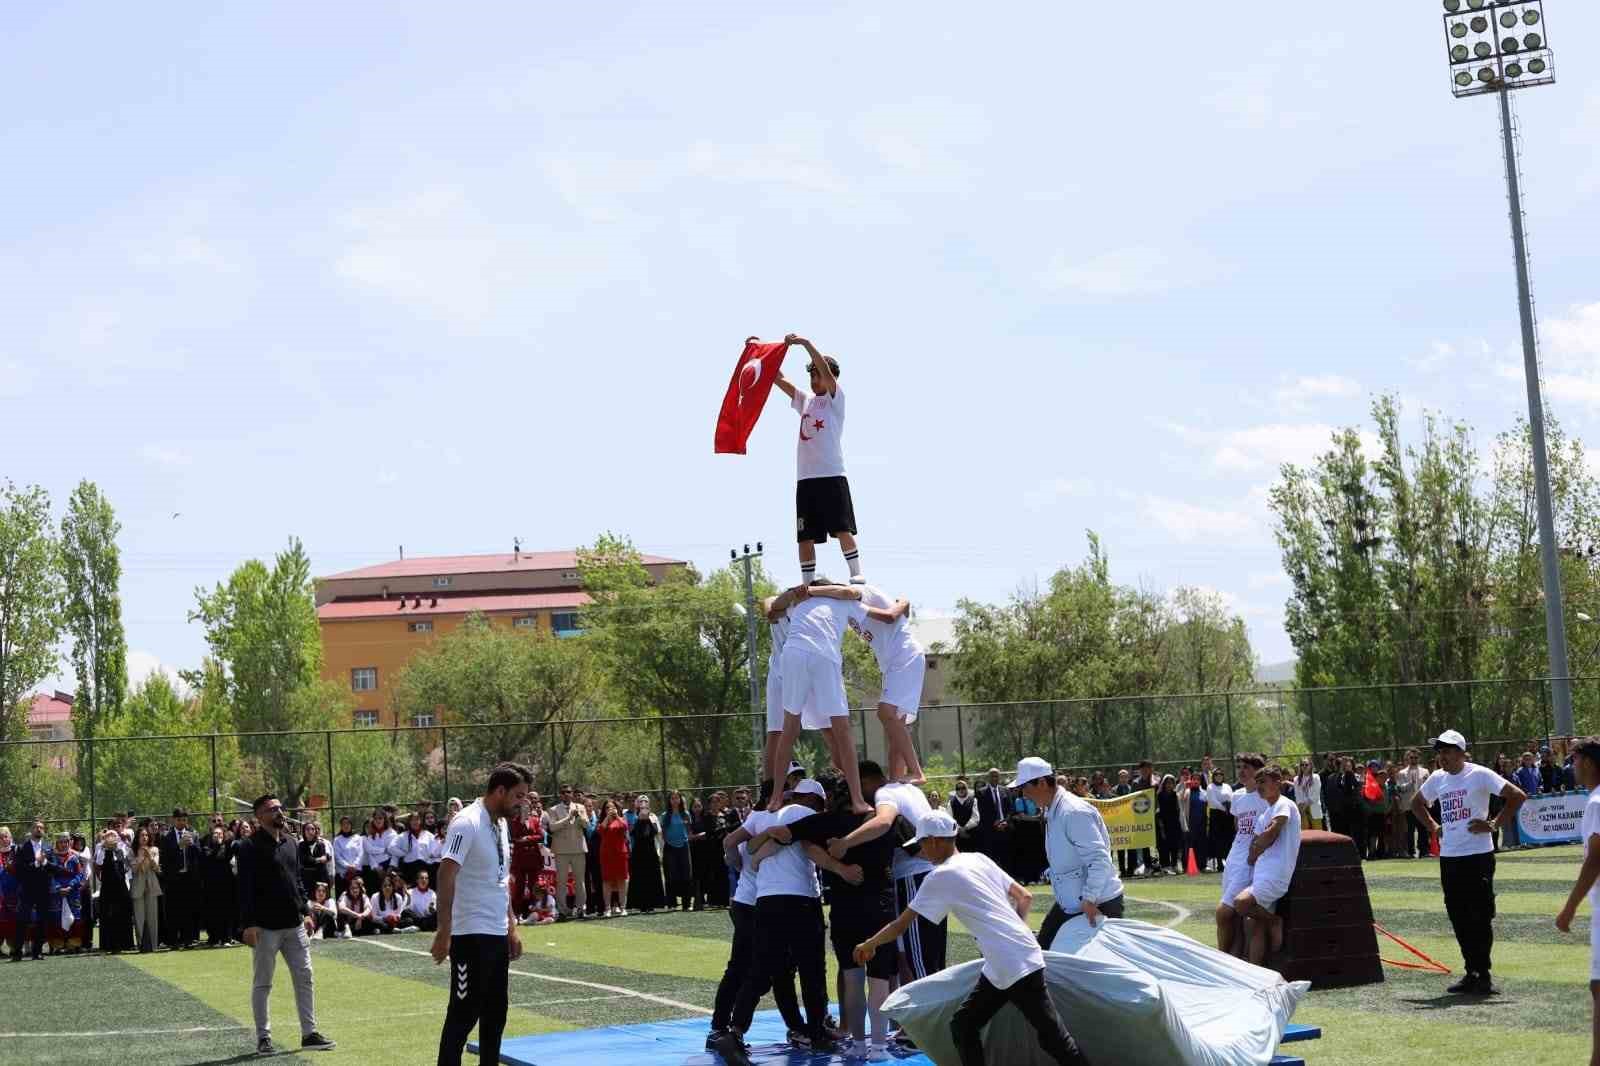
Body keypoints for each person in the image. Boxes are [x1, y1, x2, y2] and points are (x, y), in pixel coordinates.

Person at [854, 812, 1089, 1066]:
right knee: (965, 1025)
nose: (921, 852)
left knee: (1052, 1038)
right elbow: (1024, 896)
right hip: (1010, 958)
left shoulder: (939, 876)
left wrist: (869, 944)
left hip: (1011, 962)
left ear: (934, 841)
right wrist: (1017, 933)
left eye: (921, 844)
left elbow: (900, 925)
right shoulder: (978, 859)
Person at [713, 780, 841, 1066]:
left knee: (760, 968)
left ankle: (734, 1031)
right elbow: (807, 848)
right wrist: (840, 867)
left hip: (766, 900)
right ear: (814, 801)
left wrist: (756, 854)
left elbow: (743, 844)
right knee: (811, 969)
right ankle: (817, 1031)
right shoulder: (804, 815)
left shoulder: (764, 817)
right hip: (800, 897)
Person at [766, 581, 909, 816]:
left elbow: (775, 609)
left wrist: (802, 592)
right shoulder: (842, 602)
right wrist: (902, 603)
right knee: (841, 730)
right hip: (821, 655)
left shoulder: (804, 601)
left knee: (790, 726)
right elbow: (885, 615)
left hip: (794, 654)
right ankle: (856, 799)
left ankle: (775, 798)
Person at [787, 769, 898, 1059]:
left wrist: (836, 867)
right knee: (879, 979)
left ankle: (859, 1044)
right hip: (880, 906)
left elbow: (793, 836)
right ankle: (880, 1047)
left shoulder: (825, 822)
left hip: (845, 908)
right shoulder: (881, 816)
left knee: (852, 979)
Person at [431, 761, 531, 1066]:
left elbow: (500, 880)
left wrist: (511, 926)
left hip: (496, 933)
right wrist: (444, 931)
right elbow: (446, 874)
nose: (522, 803)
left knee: (495, 1013)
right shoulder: (467, 822)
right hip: (469, 935)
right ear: (500, 791)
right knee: (463, 1014)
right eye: (518, 795)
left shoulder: (499, 824)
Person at [1412, 730, 1526, 995]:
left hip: (1478, 856)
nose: (1443, 756)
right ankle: (1471, 972)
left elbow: (1517, 796)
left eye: (1448, 750)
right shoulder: (1437, 778)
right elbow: (1417, 803)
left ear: (1462, 752)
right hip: (1450, 858)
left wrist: (1494, 824)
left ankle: (1482, 973)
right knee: (1458, 915)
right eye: (1440, 751)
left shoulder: (1480, 774)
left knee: (1481, 915)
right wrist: (1433, 826)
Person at [829, 763, 948, 985]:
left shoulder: (885, 795)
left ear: (865, 782)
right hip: (930, 876)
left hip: (914, 877)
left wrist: (844, 843)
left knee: (919, 960)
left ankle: (931, 1017)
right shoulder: (909, 789)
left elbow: (885, 823)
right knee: (931, 956)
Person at [238, 794, 335, 1055]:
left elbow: (298, 883)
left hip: (294, 926)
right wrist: (248, 925)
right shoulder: (248, 847)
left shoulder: (292, 843)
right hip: (265, 928)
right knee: (263, 983)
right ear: (259, 816)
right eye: (272, 809)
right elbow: (245, 889)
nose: (279, 812)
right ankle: (264, 1038)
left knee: (305, 978)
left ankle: (309, 1033)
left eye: (280, 807)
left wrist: (305, 911)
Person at [1011, 757, 1125, 952]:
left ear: (1041, 782)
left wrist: (1089, 900)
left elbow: (1099, 859)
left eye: (1025, 787)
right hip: (1074, 903)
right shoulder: (1055, 810)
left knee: (1093, 971)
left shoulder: (1072, 812)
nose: (1024, 794)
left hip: (1096, 904)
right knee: (1045, 951)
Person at [773, 334, 861, 584]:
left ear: (831, 378)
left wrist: (806, 344)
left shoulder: (835, 399)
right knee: (805, 535)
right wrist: (757, 352)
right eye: (811, 376)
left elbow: (824, 369)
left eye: (818, 375)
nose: (814, 380)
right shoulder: (805, 401)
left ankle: (856, 573)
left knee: (842, 528)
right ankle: (807, 581)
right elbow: (777, 378)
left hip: (832, 475)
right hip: (806, 479)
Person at [852, 582, 928, 785]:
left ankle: (916, 772)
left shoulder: (859, 596)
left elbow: (891, 615)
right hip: (893, 664)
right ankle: (897, 781)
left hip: (905, 657)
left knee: (885, 713)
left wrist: (903, 603)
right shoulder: (847, 612)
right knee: (895, 725)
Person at [1555, 736, 1600, 1066]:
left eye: (1573, 760)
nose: (1571, 767)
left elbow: (1595, 859)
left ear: (1586, 761)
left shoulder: (1597, 802)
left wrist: (1569, 908)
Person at [1228, 764, 1302, 965]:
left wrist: (1260, 843)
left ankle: (1274, 922)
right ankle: (1256, 969)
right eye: (1257, 782)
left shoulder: (1284, 804)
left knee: (1240, 903)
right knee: (1254, 923)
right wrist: (1258, 845)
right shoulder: (1265, 813)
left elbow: (1272, 832)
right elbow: (1254, 848)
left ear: (1277, 783)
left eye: (1264, 782)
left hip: (1275, 875)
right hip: (1263, 873)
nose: (1259, 786)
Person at [1214, 754, 1268, 957]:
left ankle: (1221, 958)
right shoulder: (1237, 796)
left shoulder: (1266, 797)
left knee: (1225, 911)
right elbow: (1239, 827)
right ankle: (1233, 960)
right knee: (1232, 918)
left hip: (1251, 862)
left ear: (1258, 770)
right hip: (1234, 859)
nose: (1241, 771)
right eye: (1239, 767)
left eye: (1246, 767)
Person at [546, 785, 590, 921]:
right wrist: (568, 817)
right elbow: (552, 827)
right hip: (561, 850)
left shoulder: (580, 807)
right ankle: (563, 911)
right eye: (563, 792)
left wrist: (579, 817)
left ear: (572, 794)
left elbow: (587, 825)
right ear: (560, 794)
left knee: (579, 881)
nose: (566, 794)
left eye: (568, 792)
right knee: (561, 881)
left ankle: (581, 908)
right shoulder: (553, 810)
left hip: (578, 848)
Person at [159, 808, 201, 949]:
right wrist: (179, 847)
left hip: (188, 878)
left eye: (184, 820)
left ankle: (188, 939)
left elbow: (199, 855)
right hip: (173, 879)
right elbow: (164, 858)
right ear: (173, 820)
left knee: (188, 910)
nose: (182, 822)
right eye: (179, 820)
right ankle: (173, 941)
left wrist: (192, 845)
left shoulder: (193, 834)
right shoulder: (166, 836)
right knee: (173, 910)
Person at [96, 828, 135, 953]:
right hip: (107, 887)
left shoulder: (122, 848)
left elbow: (127, 865)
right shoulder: (101, 849)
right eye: (109, 836)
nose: (111, 838)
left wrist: (118, 851)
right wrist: (106, 848)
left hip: (121, 885)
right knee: (108, 914)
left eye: (114, 835)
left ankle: (125, 943)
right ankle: (109, 944)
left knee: (123, 913)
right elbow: (99, 863)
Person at [509, 797, 548, 923]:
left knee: (533, 887)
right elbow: (515, 838)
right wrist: (524, 837)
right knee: (519, 887)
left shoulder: (535, 820)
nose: (525, 809)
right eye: (522, 807)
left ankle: (532, 913)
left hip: (533, 859)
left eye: (527, 807)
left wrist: (527, 839)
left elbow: (541, 836)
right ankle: (517, 914)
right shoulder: (514, 821)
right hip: (520, 859)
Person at [626, 795, 667, 914]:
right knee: (639, 878)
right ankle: (639, 904)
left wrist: (648, 819)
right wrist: (640, 819)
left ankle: (653, 903)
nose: (643, 804)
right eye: (641, 802)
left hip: (651, 852)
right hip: (638, 852)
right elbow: (633, 833)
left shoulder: (653, 816)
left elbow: (656, 832)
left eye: (645, 802)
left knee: (652, 877)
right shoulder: (633, 816)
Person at [201, 823, 238, 947]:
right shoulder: (207, 847)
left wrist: (223, 843)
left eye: (220, 834)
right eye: (215, 834)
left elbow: (228, 856)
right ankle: (214, 938)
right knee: (213, 912)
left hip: (226, 885)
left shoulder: (227, 847)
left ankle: (226, 938)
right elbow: (208, 857)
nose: (218, 836)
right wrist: (217, 846)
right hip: (211, 885)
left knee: (226, 911)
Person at [129, 826, 163, 953]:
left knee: (152, 916)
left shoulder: (154, 849)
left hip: (151, 884)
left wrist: (150, 855)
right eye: (142, 835)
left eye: (146, 835)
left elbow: (156, 868)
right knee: (139, 916)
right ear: (137, 838)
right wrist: (141, 857)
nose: (144, 838)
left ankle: (153, 945)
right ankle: (141, 944)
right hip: (138, 884)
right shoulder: (132, 851)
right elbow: (133, 869)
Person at [661, 791, 696, 912]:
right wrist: (668, 843)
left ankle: (687, 903)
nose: (675, 800)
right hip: (670, 847)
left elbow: (689, 830)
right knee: (671, 875)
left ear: (680, 800)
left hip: (684, 846)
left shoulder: (686, 814)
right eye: (672, 798)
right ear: (669, 801)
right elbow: (663, 834)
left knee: (686, 874)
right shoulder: (665, 815)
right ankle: (671, 903)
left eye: (677, 798)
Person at [595, 799, 631, 917]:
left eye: (612, 807)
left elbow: (625, 827)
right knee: (607, 881)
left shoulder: (621, 820)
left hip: (620, 853)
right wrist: (607, 818)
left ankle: (623, 907)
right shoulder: (602, 821)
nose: (610, 810)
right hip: (606, 854)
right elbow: (600, 830)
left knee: (622, 880)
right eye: (607, 808)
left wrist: (617, 816)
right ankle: (607, 908)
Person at [1397, 749, 1430, 858]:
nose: (1413, 760)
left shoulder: (1425, 771)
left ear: (1419, 758)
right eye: (1411, 758)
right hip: (1409, 805)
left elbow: (1429, 788)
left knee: (1423, 828)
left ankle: (1424, 851)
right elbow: (1400, 788)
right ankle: (1411, 852)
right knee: (1410, 830)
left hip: (1422, 804)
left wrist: (1429, 801)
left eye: (1416, 758)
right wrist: (1409, 784)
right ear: (1408, 758)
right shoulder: (1402, 773)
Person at [393, 811, 437, 887]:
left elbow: (435, 852)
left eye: (417, 819)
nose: (415, 822)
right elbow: (391, 847)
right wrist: (403, 853)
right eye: (412, 820)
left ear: (421, 821)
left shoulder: (428, 835)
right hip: (409, 869)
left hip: (425, 869)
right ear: (409, 822)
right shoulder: (403, 836)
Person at [298, 821, 333, 903]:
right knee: (309, 903)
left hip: (321, 877)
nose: (310, 831)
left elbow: (326, 859)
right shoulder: (301, 845)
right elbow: (305, 860)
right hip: (307, 880)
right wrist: (319, 859)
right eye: (307, 829)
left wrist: (322, 859)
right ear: (304, 831)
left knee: (323, 902)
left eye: (312, 829)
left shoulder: (321, 844)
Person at [1156, 775, 1183, 875]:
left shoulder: (1176, 795)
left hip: (1175, 823)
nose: (1169, 785)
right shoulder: (1159, 795)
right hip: (1163, 824)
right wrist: (1160, 824)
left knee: (1175, 845)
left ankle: (1174, 865)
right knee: (1164, 846)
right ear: (1164, 784)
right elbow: (1157, 811)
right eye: (1167, 783)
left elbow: (1179, 809)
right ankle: (1165, 866)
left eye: (1171, 783)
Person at [332, 816, 363, 889]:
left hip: (356, 872)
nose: (346, 825)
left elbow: (361, 853)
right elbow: (337, 856)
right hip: (343, 874)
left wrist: (354, 865)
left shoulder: (358, 838)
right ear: (341, 826)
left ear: (351, 825)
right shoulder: (337, 840)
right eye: (343, 824)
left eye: (348, 823)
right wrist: (347, 866)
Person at [1293, 760, 1322, 831]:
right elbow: (1297, 795)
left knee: (1317, 832)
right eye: (1302, 765)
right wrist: (1300, 806)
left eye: (1306, 764)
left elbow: (1316, 795)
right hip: (1302, 808)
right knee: (1305, 832)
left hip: (1313, 807)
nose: (1304, 766)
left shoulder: (1316, 777)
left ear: (1311, 766)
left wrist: (1306, 805)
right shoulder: (1296, 779)